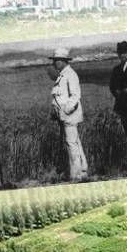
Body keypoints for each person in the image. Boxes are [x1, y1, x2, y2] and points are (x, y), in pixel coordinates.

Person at [49, 48, 88, 182]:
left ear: (62, 61)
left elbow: (75, 97)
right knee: (75, 142)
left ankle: (76, 175)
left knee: (71, 143)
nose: (54, 64)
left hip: (69, 116)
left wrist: (64, 111)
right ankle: (82, 170)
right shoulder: (63, 75)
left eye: (55, 61)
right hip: (65, 116)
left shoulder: (70, 75)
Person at [109, 41, 127, 165]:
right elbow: (111, 86)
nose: (123, 55)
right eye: (120, 53)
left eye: (125, 53)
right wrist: (117, 92)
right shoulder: (116, 69)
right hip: (122, 106)